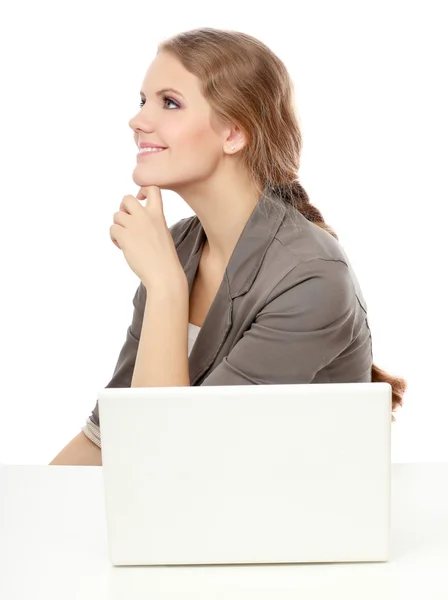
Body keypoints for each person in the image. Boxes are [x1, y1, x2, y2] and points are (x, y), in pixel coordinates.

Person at [49, 27, 407, 466]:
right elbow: (110, 435)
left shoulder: (311, 277)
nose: (138, 120)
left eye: (170, 103)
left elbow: (171, 462)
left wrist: (165, 288)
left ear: (234, 134)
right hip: (191, 517)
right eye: (143, 100)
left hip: (287, 524)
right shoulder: (178, 246)